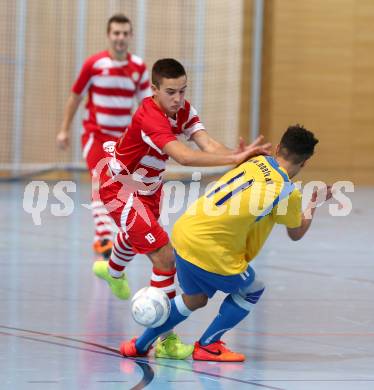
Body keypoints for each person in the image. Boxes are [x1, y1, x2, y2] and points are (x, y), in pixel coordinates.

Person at [92, 58, 271, 359]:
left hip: (149, 187)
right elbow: (185, 157)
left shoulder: (184, 110)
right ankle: (164, 339)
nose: (178, 99)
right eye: (171, 92)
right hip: (120, 188)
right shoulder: (150, 115)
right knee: (164, 257)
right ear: (154, 90)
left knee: (140, 236)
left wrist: (242, 156)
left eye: (183, 91)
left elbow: (207, 144)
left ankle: (112, 270)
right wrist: (232, 160)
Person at [119, 124, 333, 361]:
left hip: (185, 231)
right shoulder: (288, 192)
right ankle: (209, 345)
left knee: (196, 299)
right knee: (253, 289)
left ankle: (139, 345)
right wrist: (314, 203)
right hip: (210, 247)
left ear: (278, 147)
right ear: (304, 163)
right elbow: (296, 233)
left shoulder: (253, 161)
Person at [56, 13, 151, 258]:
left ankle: (110, 236)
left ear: (130, 36)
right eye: (116, 33)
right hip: (95, 135)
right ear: (109, 36)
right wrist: (64, 129)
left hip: (122, 140)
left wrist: (153, 137)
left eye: (124, 33)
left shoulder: (138, 67)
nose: (120, 38)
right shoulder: (94, 65)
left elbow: (145, 106)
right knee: (99, 182)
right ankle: (105, 239)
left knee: (119, 188)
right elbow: (75, 98)